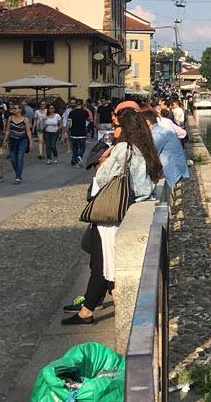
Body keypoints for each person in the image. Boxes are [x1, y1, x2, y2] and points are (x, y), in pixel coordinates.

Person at [63, 109, 163, 325]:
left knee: (103, 264)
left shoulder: (122, 149)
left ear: (125, 129)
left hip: (112, 215)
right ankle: (92, 308)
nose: (112, 130)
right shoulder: (145, 148)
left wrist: (104, 158)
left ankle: (92, 311)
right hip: (132, 211)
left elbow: (101, 176)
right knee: (103, 263)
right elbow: (147, 186)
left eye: (116, 126)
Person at [142, 108, 190, 188]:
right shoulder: (158, 131)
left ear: (147, 122)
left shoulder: (158, 134)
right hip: (175, 168)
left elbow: (150, 155)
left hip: (172, 172)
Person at [5, 101, 34, 184]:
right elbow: (7, 130)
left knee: (19, 157)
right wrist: (4, 140)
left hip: (22, 140)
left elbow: (28, 131)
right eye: (13, 108)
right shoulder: (10, 118)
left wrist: (30, 142)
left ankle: (18, 177)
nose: (13, 109)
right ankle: (18, 173)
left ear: (20, 109)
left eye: (15, 108)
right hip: (12, 140)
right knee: (13, 159)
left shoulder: (25, 119)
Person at [66, 97, 89, 165]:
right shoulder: (85, 112)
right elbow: (89, 119)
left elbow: (69, 123)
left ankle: (76, 159)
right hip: (82, 132)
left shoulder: (72, 112)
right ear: (82, 105)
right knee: (82, 147)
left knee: (74, 148)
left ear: (76, 105)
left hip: (74, 132)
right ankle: (80, 155)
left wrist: (66, 131)